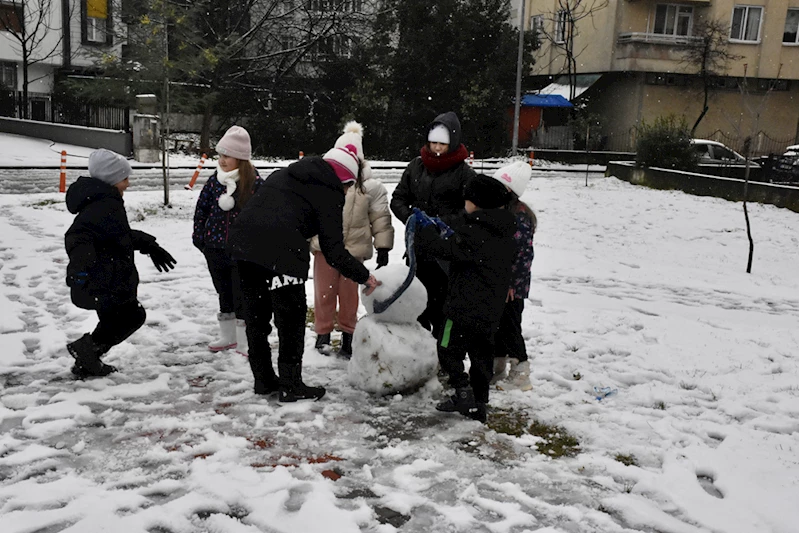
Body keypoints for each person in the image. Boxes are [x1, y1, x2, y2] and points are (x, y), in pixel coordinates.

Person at [227, 142, 381, 402]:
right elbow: (333, 250)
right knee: (291, 320)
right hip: (283, 251)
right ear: (344, 179)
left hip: (242, 246)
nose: (347, 191)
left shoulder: (284, 174)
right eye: (348, 186)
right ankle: (291, 385)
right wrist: (364, 276)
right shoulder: (329, 192)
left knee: (256, 318)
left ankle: (263, 380)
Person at [413, 174, 516, 423]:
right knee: (482, 355)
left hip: (461, 308)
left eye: (467, 200)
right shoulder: (503, 232)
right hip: (490, 310)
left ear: (476, 203)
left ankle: (462, 391)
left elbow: (443, 249)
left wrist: (427, 231)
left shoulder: (473, 232)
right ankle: (480, 402)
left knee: (447, 349)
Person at [64, 149, 176, 377]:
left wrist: (148, 245)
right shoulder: (105, 205)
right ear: (112, 180)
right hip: (105, 279)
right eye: (125, 178)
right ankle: (86, 350)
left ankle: (87, 361)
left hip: (108, 277)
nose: (128, 184)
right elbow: (78, 236)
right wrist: (80, 268)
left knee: (113, 321)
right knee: (132, 316)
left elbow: (117, 235)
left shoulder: (104, 201)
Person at [310, 121, 394, 358]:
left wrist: (383, 246)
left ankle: (348, 333)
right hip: (324, 247)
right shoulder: (324, 182)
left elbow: (380, 217)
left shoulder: (370, 187)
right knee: (324, 292)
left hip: (354, 250)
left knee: (349, 295)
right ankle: (323, 332)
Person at [390, 111, 476, 338]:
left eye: (442, 144)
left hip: (447, 255)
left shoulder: (464, 174)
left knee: (443, 309)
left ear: (452, 143)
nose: (437, 148)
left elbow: (470, 211)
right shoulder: (416, 167)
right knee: (417, 306)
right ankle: (419, 348)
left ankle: (444, 349)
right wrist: (411, 218)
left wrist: (440, 224)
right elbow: (398, 199)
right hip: (417, 250)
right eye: (433, 142)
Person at [192, 125, 263, 356]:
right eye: (220, 155)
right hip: (214, 247)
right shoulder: (215, 181)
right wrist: (200, 237)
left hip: (241, 251)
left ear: (240, 158)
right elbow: (202, 209)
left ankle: (244, 339)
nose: (222, 160)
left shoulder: (253, 182)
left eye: (227, 156)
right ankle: (228, 335)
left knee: (241, 293)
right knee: (223, 291)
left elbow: (261, 215)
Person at [488, 162, 536, 391]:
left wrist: (510, 284)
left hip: (512, 285)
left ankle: (520, 370)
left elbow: (522, 256)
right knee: (497, 324)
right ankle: (496, 366)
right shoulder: (499, 212)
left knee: (510, 326)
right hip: (499, 281)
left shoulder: (520, 217)